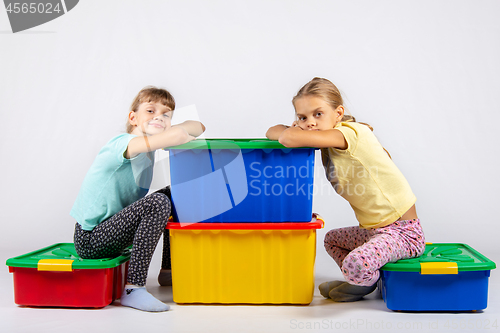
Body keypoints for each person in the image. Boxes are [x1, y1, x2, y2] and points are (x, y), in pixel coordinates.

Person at [266, 77, 425, 302]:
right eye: (302, 117)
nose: (310, 122)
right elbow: (273, 131)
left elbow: (286, 136)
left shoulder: (347, 134)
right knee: (332, 240)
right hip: (374, 232)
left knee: (355, 262)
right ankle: (363, 276)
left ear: (338, 113)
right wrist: (289, 130)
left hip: (403, 233)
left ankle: (362, 279)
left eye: (318, 114)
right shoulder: (327, 141)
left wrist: (292, 131)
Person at [71, 86, 205, 311]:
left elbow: (198, 127)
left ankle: (168, 271)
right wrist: (172, 129)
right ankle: (134, 288)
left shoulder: (151, 146)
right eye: (150, 111)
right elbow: (178, 135)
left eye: (166, 114)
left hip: (116, 231)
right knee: (158, 203)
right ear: (133, 117)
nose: (158, 117)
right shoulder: (123, 144)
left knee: (176, 192)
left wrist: (173, 127)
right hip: (91, 239)